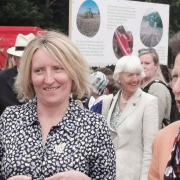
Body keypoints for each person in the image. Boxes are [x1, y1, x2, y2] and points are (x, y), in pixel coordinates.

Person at [0, 31, 116, 180]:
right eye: (39, 70)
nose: (48, 79)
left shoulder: (95, 127)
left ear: (73, 72)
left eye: (58, 68)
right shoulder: (10, 119)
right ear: (29, 76)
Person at [106, 55, 159, 180]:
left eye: (138, 74)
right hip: (110, 174)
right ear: (119, 77)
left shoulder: (149, 102)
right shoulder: (110, 101)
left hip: (133, 175)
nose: (135, 79)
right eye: (130, 75)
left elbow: (150, 149)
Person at [148, 32, 180, 180]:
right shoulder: (163, 139)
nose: (176, 88)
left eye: (147, 63)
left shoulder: (158, 89)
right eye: (175, 77)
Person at [0, 33, 35, 115]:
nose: (26, 61)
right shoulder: (2, 78)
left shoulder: (45, 77)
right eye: (21, 58)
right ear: (15, 59)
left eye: (29, 58)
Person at [138, 48, 172, 128]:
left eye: (147, 63)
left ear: (156, 66)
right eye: (140, 63)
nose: (143, 66)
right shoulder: (145, 86)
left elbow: (154, 123)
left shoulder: (157, 88)